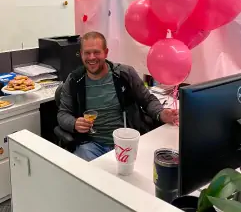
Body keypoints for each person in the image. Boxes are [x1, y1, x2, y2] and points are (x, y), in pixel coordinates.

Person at [58, 31, 178, 161]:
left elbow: (147, 100)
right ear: (81, 54)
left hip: (127, 142)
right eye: (87, 53)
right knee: (87, 176)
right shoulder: (74, 80)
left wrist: (161, 113)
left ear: (106, 52)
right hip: (91, 146)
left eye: (97, 52)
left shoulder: (124, 74)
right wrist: (74, 123)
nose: (91, 57)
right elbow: (63, 114)